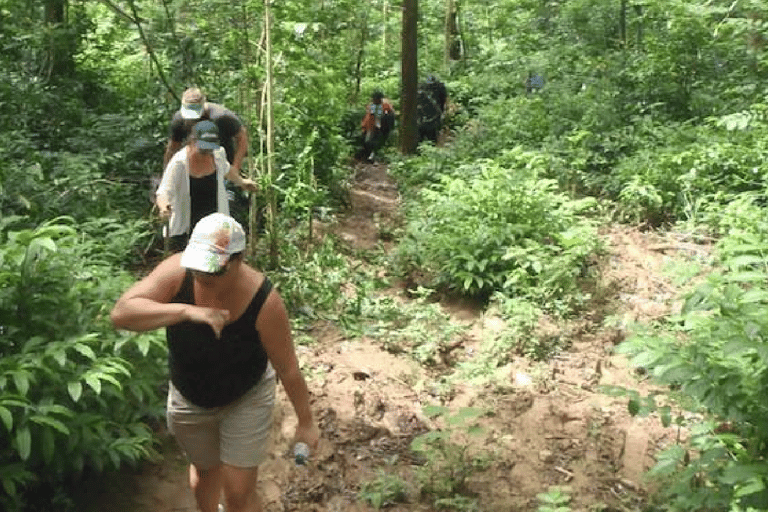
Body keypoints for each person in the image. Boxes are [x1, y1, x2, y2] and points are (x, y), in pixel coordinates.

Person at [110, 213, 320, 512]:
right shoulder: (177, 272)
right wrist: (185, 311)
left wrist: (306, 422)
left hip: (245, 397)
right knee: (205, 474)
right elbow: (122, 314)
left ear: (239, 259)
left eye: (214, 271)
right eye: (198, 270)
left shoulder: (264, 301)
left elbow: (287, 367)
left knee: (237, 491)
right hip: (190, 397)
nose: (204, 278)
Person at [156, 120, 255, 253]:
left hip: (214, 225)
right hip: (187, 227)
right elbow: (164, 190)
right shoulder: (179, 162)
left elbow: (227, 170)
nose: (207, 152)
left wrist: (242, 182)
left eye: (209, 148)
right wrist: (164, 207)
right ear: (192, 141)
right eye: (203, 148)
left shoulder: (218, 155)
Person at [164, 87, 256, 229]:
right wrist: (167, 176)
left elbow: (242, 138)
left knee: (228, 213)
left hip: (223, 170)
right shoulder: (180, 120)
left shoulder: (222, 117)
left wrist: (235, 168)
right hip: (193, 172)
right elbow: (172, 147)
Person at [359, 90, 395, 163]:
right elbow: (369, 117)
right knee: (368, 141)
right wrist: (365, 126)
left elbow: (390, 115)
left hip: (382, 126)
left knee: (377, 141)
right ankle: (369, 155)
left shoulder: (386, 106)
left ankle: (374, 155)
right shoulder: (372, 106)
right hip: (372, 126)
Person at [417, 75, 448, 145]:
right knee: (432, 137)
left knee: (421, 137)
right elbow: (443, 102)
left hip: (422, 118)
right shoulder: (440, 87)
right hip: (433, 117)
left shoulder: (421, 88)